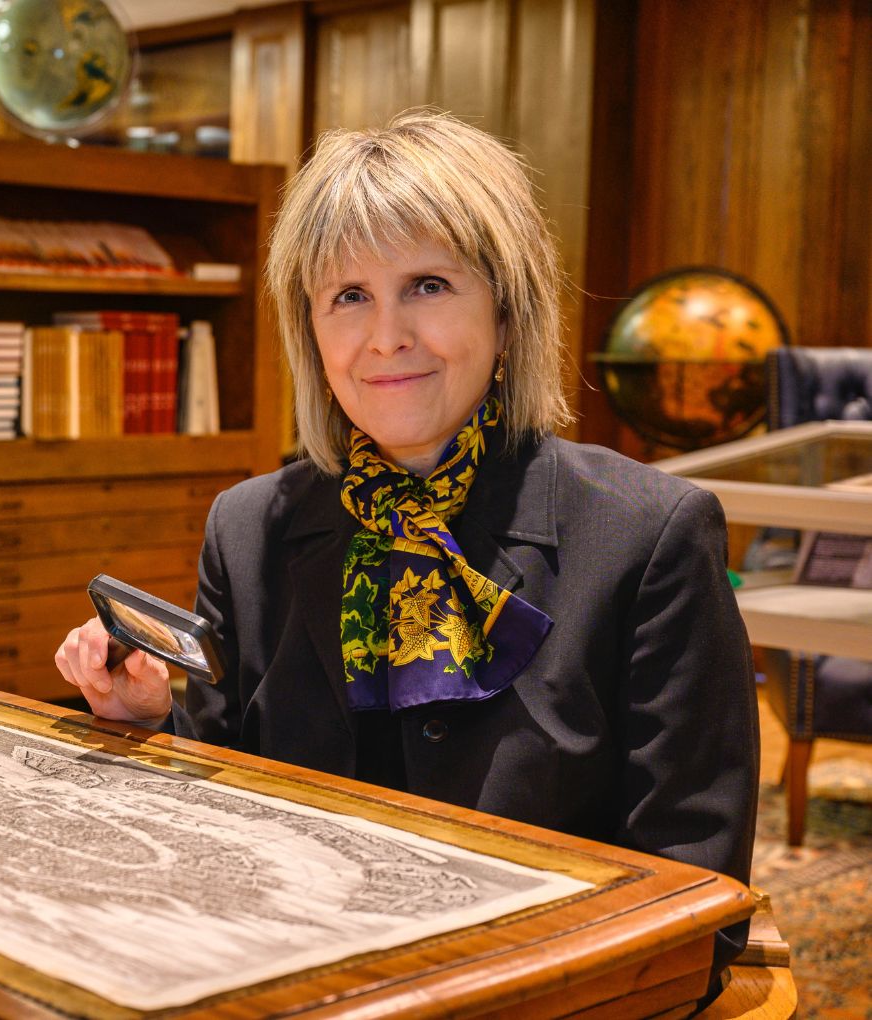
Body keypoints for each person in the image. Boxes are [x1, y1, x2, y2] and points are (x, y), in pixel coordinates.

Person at [55, 111, 758, 997]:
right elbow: (215, 813)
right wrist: (146, 721)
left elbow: (695, 895)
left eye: (427, 284)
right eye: (348, 296)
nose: (385, 335)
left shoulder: (652, 536)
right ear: (312, 332)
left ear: (507, 313)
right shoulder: (247, 526)